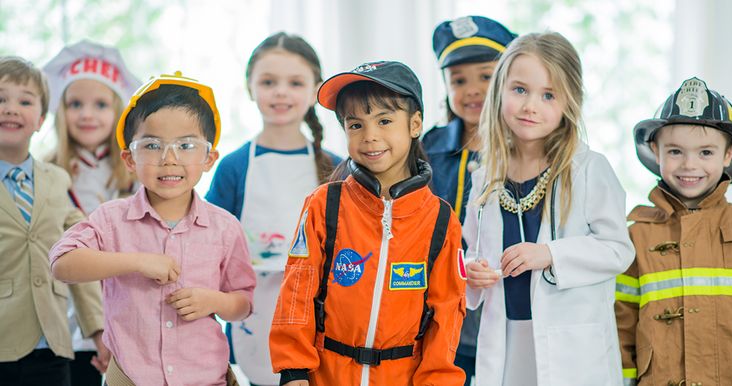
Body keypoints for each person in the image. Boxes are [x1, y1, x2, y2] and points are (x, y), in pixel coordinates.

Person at [49, 72, 256, 386]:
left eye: (186, 145)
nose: (169, 159)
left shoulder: (225, 228)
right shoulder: (110, 219)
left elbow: (243, 303)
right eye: (152, 145)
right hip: (130, 379)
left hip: (206, 379)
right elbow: (62, 263)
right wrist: (137, 261)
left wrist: (213, 301)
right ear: (130, 159)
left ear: (209, 157)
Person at [269, 60, 467, 386]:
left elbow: (446, 318)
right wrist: (293, 372)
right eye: (355, 125)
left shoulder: (441, 221)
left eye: (385, 120)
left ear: (415, 123)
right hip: (325, 376)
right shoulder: (324, 205)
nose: (370, 137)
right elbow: (297, 291)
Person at [463, 32, 635, 385]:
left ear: (570, 101)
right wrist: (472, 273)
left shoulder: (588, 168)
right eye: (520, 90)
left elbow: (618, 249)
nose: (530, 106)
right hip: (505, 340)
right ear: (500, 91)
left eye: (548, 95)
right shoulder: (484, 177)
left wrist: (550, 254)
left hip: (572, 348)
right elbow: (472, 250)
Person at [206, 31, 340, 386]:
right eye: (268, 82)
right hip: (254, 315)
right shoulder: (234, 167)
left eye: (295, 82)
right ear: (250, 87)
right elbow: (208, 244)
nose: (281, 92)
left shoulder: (338, 168)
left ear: (315, 90)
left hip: (322, 314)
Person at [616, 77, 732, 386]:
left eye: (706, 153)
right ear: (656, 152)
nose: (689, 165)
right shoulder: (636, 237)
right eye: (676, 152)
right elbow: (621, 324)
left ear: (728, 155)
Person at [422, 16, 516, 386]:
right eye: (459, 80)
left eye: (486, 76)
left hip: (503, 306)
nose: (473, 90)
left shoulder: (525, 151)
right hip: (436, 310)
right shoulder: (428, 148)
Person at [0, 56, 103, 386]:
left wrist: (98, 330)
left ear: (41, 119)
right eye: (0, 99)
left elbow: (80, 254)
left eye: (25, 101)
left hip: (52, 342)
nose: (11, 108)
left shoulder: (59, 180)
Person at [43, 39, 140, 384]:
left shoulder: (138, 175)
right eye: (75, 104)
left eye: (100, 104)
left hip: (128, 315)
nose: (87, 114)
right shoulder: (45, 173)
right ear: (59, 111)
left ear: (118, 112)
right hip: (65, 319)